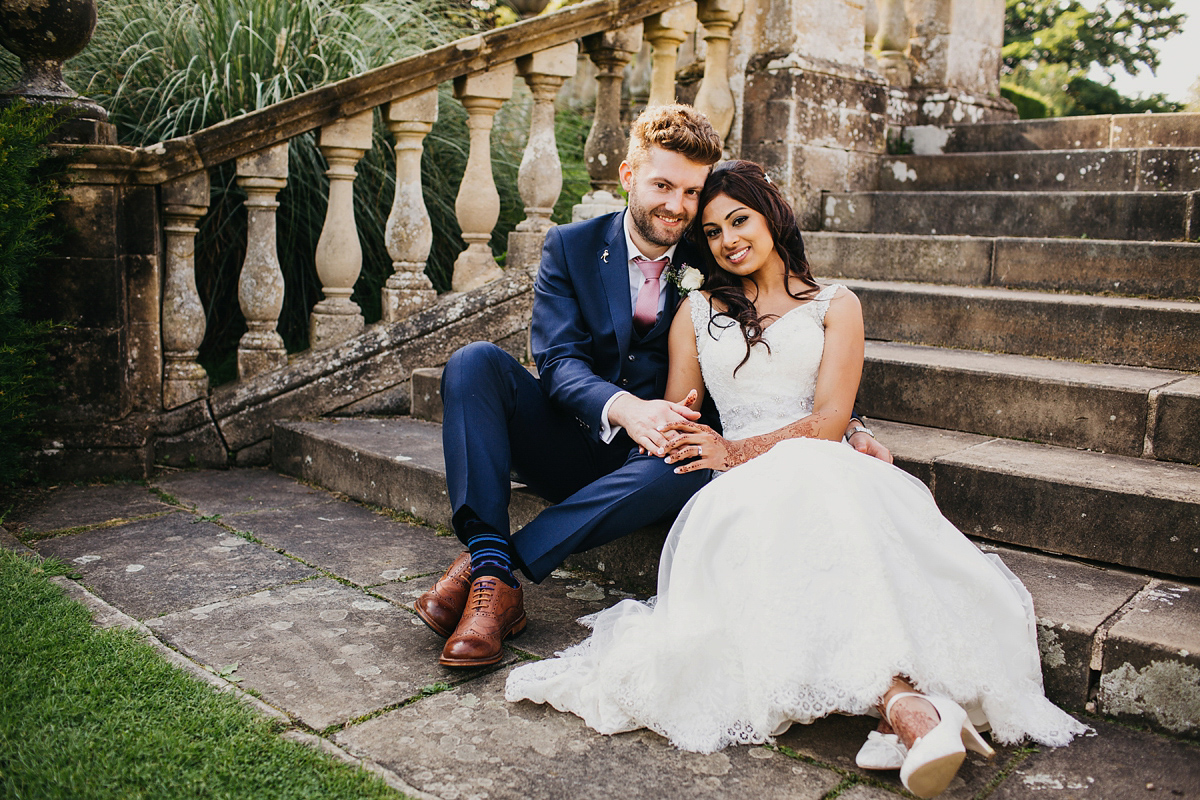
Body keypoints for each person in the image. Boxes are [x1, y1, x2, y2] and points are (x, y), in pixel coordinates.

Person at [503, 160, 1087, 799]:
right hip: (735, 480)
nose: (728, 239)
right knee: (790, 521)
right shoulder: (695, 312)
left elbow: (831, 416)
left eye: (740, 220)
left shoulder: (838, 305)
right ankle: (911, 711)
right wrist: (703, 444)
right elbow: (683, 413)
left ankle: (909, 713)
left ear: (772, 216)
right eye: (715, 230)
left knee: (824, 508)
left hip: (817, 457)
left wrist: (782, 441)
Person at [417, 105, 893, 670]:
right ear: (627, 176)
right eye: (663, 185)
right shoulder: (570, 247)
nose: (678, 206)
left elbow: (786, 334)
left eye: (691, 192)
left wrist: (852, 424)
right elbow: (560, 362)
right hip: (572, 438)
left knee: (694, 460)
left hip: (660, 460)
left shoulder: (713, 246)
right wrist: (624, 408)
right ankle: (494, 567)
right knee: (474, 363)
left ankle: (490, 574)